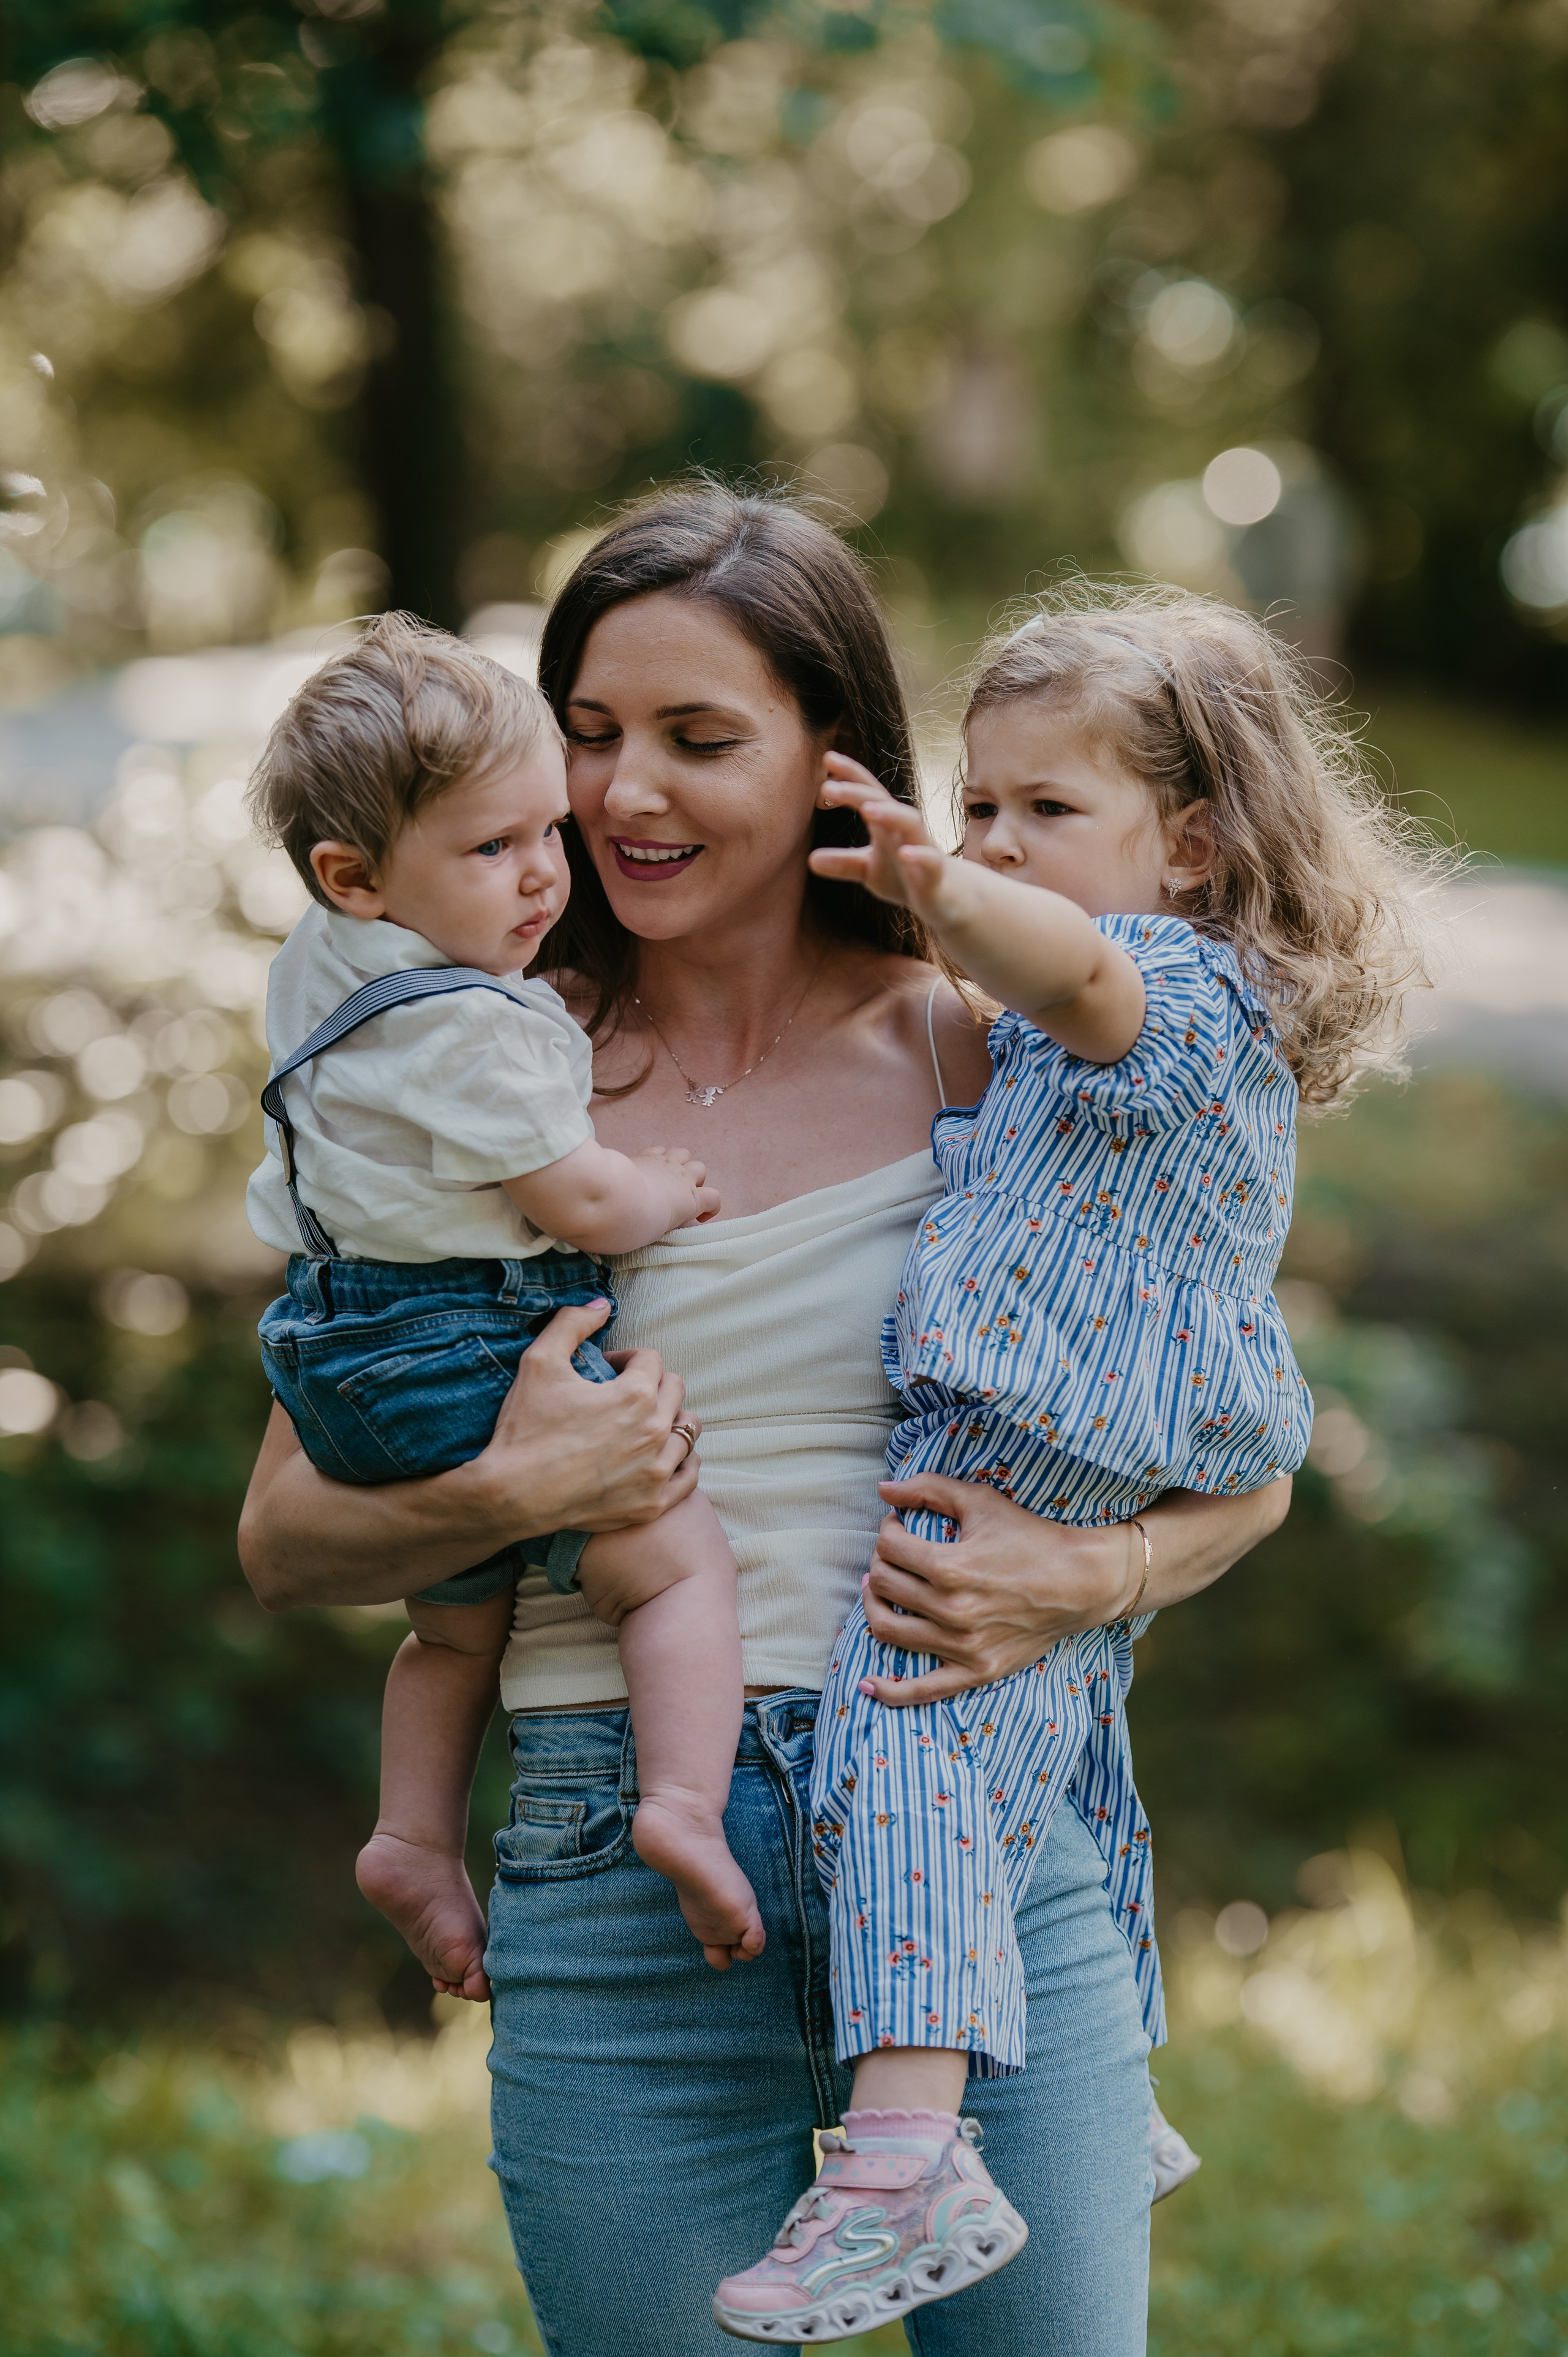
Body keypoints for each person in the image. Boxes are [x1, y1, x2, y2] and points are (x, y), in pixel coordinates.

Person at [238, 486, 1292, 2357]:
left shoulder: (992, 1045)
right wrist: (520, 1482)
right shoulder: (478, 1077)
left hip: (976, 1830)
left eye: (699, 740)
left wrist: (1093, 1570)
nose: (625, 791)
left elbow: (1246, 1452)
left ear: (835, 762)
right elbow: (287, 1537)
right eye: (588, 733)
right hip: (620, 1859)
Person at [714, 583, 1437, 2342]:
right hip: (1022, 1440)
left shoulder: (1182, 995)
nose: (1000, 839)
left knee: (910, 1759)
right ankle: (1105, 2099)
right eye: (982, 802)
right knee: (1042, 1759)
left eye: (1051, 809)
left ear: (1190, 847)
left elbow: (1079, 968)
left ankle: (902, 2158)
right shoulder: (1052, 1023)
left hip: (1045, 1444)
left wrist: (932, 885)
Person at [244, 613, 763, 1991]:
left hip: (340, 1350)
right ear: (350, 875)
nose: (543, 874)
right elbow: (577, 1203)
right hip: (465, 1340)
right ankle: (682, 1804)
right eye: (492, 850)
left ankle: (413, 1833)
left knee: (448, 1628)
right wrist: (659, 1186)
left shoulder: (325, 968)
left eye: (545, 831)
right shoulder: (474, 1024)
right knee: (672, 1560)